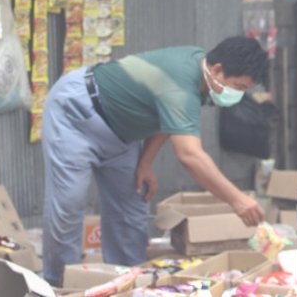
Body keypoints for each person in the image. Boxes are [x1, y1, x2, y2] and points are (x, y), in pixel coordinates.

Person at [41, 36, 268, 286]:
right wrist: (238, 200)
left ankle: (129, 285)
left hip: (123, 136)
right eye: (240, 86)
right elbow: (190, 155)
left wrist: (145, 161)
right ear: (217, 70)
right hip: (78, 113)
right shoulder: (181, 82)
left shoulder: (201, 71)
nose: (239, 94)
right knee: (68, 205)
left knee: (131, 212)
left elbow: (168, 117)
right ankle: (59, 285)